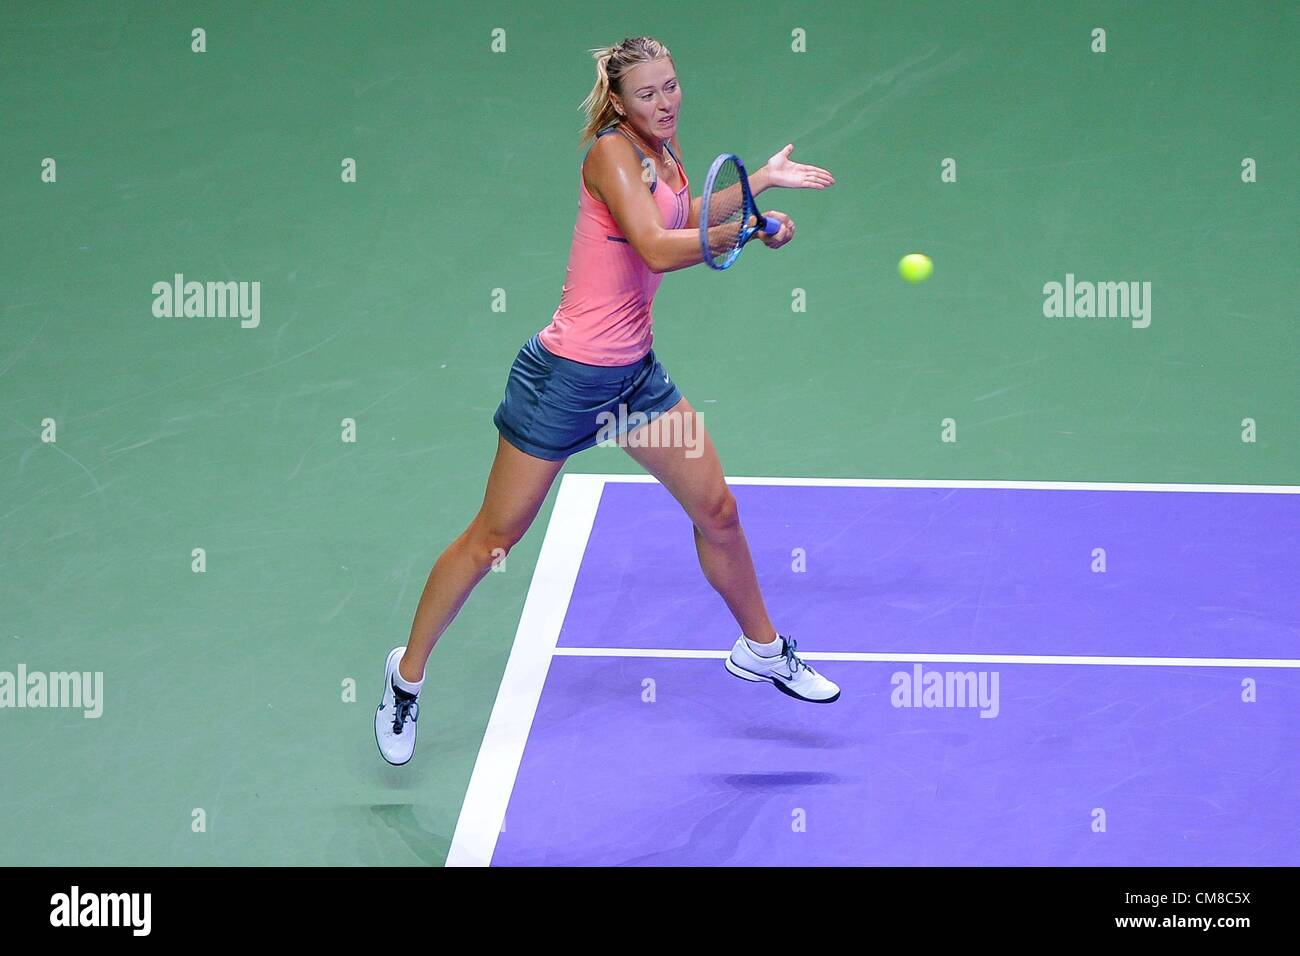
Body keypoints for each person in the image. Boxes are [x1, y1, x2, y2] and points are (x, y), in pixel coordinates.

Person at [377, 35, 840, 766]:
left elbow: (682, 216)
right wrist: (746, 229)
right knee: (492, 541)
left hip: (633, 381)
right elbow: (657, 246)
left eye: (672, 86)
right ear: (618, 101)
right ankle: (405, 675)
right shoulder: (609, 155)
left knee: (717, 510)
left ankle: (762, 649)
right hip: (563, 383)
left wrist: (761, 187)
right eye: (648, 93)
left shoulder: (667, 152)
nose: (665, 102)